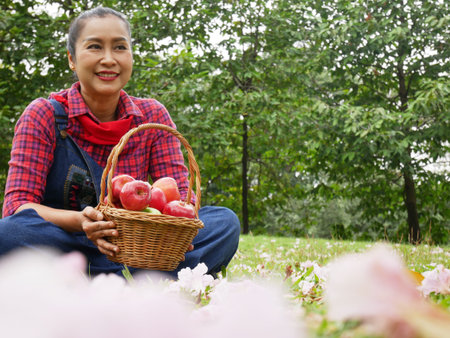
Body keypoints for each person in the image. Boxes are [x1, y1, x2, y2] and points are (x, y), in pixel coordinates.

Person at [0, 7, 240, 278]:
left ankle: (110, 277)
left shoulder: (152, 117)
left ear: (131, 57)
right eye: (94, 47)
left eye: (119, 47)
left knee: (224, 223)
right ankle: (136, 279)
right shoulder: (44, 115)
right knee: (8, 233)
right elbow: (18, 207)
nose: (108, 59)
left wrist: (176, 231)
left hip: (140, 247)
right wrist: (82, 223)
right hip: (68, 242)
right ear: (71, 59)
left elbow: (181, 199)